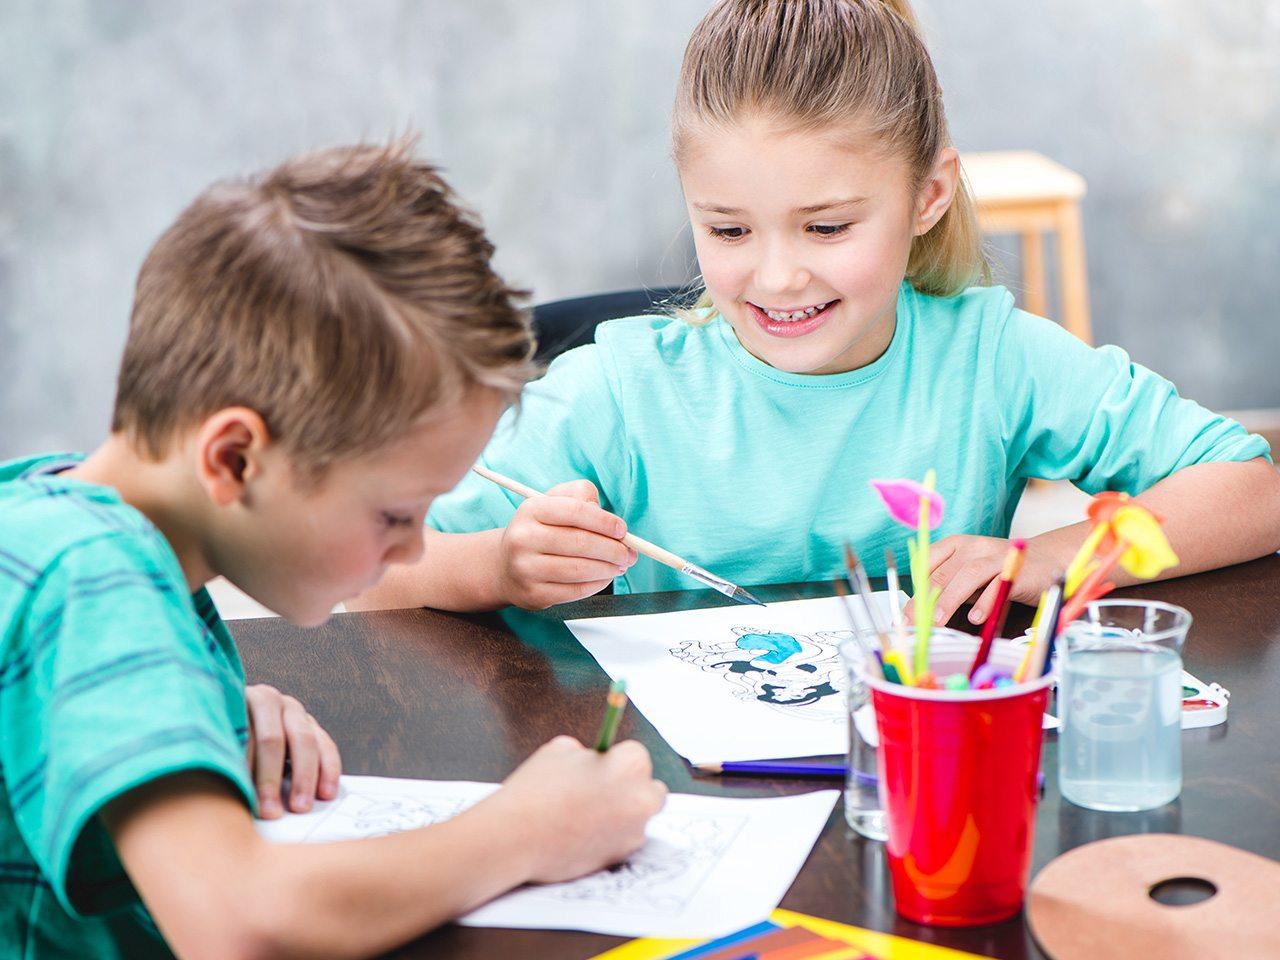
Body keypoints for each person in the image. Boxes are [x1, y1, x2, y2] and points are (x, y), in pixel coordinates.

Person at [354, 0, 1280, 627]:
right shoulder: (618, 392)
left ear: (926, 197)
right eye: (728, 229)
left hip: (914, 789)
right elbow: (375, 570)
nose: (777, 276)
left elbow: (1252, 489)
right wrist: (499, 567)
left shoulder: (991, 360)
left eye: (827, 227)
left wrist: (1047, 559)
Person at [0, 140, 665, 959]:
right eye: (394, 515)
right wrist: (528, 830)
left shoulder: (54, 516)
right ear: (234, 459)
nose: (413, 549)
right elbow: (235, 923)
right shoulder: (93, 578)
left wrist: (198, 711)